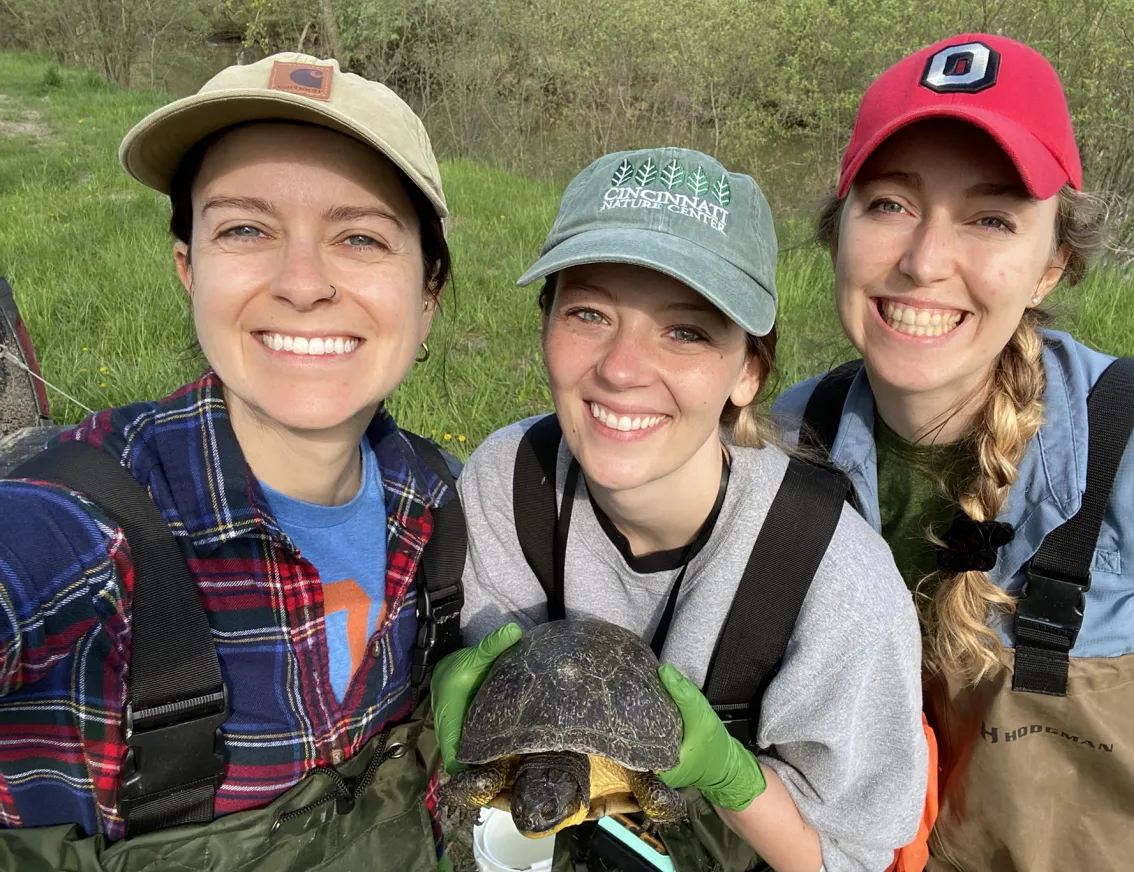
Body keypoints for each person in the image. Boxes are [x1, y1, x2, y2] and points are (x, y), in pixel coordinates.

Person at [772, 33, 1134, 872]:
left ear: (1051, 264)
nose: (923, 261)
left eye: (989, 219)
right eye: (889, 205)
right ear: (837, 228)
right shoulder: (799, 435)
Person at [0, 52, 465, 871]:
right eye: (245, 228)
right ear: (190, 267)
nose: (301, 282)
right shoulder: (79, 532)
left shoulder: (443, 508)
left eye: (359, 236)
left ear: (427, 292)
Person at [432, 147, 931, 872]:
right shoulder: (509, 482)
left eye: (686, 331)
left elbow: (847, 858)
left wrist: (728, 772)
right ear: (545, 326)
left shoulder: (832, 579)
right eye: (588, 312)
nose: (622, 368)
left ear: (748, 371)